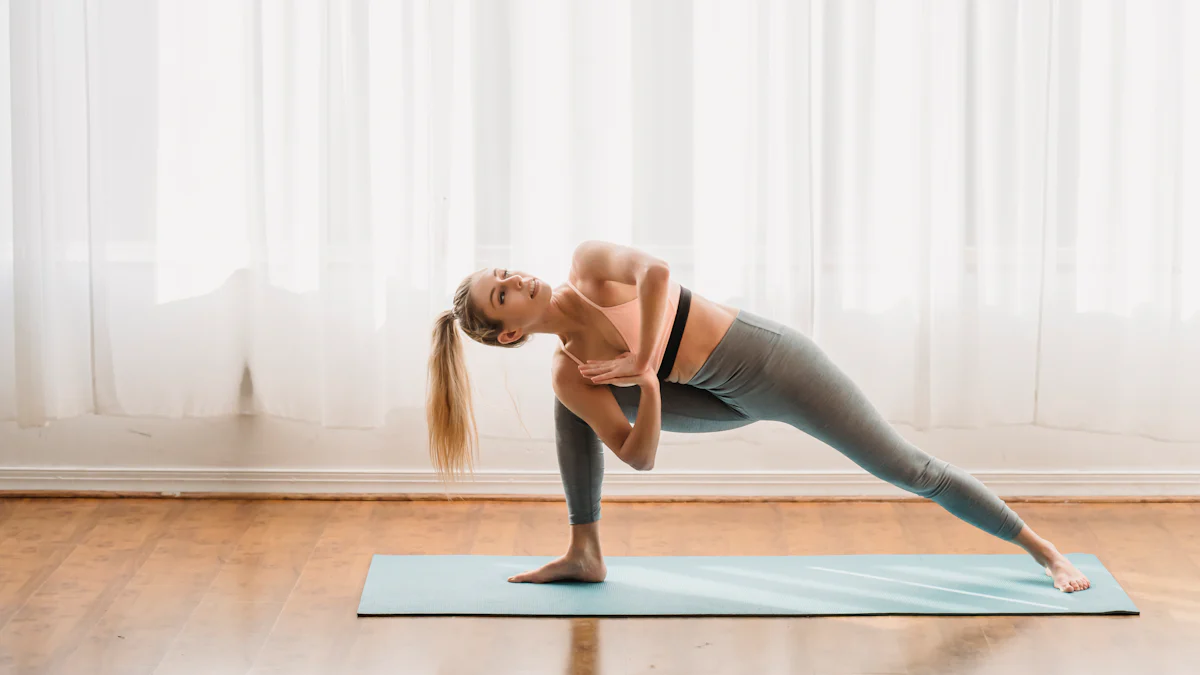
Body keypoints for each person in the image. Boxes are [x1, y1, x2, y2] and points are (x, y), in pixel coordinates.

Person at [426, 240, 1092, 593]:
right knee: (570, 394)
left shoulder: (588, 267)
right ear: (509, 333)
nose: (518, 279)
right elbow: (638, 456)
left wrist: (642, 358)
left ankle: (1046, 552)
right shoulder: (569, 367)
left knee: (908, 468)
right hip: (713, 399)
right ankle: (585, 551)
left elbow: (657, 271)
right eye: (503, 293)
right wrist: (649, 385)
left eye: (505, 272)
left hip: (775, 368)